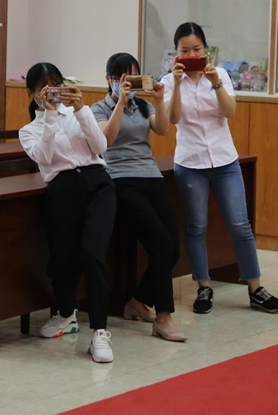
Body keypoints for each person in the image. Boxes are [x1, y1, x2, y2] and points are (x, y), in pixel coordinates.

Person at [161, 22, 278, 315]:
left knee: (240, 225)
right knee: (196, 227)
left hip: (225, 160)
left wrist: (214, 81)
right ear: (175, 53)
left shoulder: (221, 74)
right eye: (184, 50)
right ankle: (203, 287)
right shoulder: (167, 81)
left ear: (207, 49)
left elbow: (230, 112)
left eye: (197, 49)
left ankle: (255, 288)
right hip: (190, 163)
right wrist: (176, 83)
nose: (191, 55)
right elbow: (173, 119)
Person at [19, 62, 118, 363]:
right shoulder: (29, 131)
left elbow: (101, 146)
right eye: (44, 89)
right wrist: (50, 114)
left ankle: (99, 332)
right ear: (33, 93)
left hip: (97, 185)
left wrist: (81, 109)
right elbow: (45, 157)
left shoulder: (77, 113)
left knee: (93, 254)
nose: (52, 93)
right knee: (63, 258)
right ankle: (66, 315)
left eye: (56, 85)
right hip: (62, 190)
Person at [91, 52, 186, 342]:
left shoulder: (143, 106)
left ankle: (137, 302)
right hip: (120, 179)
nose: (127, 83)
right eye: (121, 77)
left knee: (172, 248)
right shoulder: (98, 108)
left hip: (151, 176)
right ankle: (163, 317)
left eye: (133, 76)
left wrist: (159, 98)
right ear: (109, 79)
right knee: (160, 243)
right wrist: (120, 102)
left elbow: (163, 129)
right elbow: (106, 139)